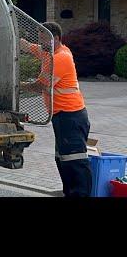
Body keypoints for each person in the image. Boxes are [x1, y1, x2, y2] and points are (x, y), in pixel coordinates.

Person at [20, 21, 92, 197]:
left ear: (55, 39)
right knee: (63, 159)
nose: (39, 41)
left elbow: (41, 86)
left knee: (74, 160)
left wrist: (17, 85)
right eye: (39, 37)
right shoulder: (48, 52)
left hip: (71, 116)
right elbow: (31, 47)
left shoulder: (61, 58)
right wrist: (17, 39)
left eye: (42, 38)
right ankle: (69, 193)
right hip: (61, 116)